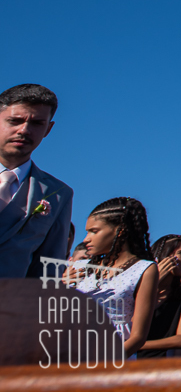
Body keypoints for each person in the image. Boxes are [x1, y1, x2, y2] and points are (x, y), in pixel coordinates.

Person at [0, 84, 73, 278]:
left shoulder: (58, 193)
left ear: (48, 128)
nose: (24, 130)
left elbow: (48, 269)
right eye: (15, 121)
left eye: (37, 123)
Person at [74, 197, 158, 357]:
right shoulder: (79, 269)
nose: (86, 239)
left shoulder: (144, 269)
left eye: (94, 231)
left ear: (120, 231)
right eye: (87, 232)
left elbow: (138, 337)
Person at [137, 235, 181, 358]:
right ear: (164, 257)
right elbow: (131, 324)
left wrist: (137, 344)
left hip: (160, 362)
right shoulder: (137, 287)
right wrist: (154, 282)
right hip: (128, 359)